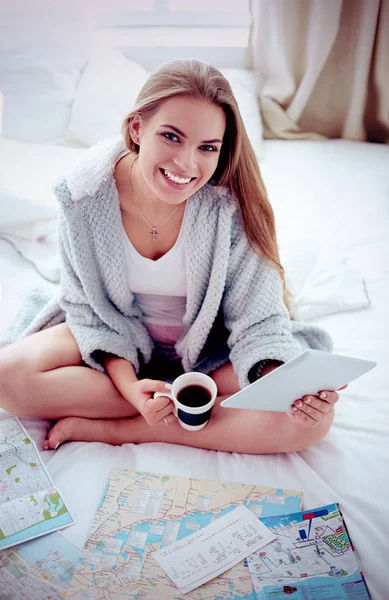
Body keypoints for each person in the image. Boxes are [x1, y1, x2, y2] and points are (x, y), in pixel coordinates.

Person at [0, 59, 346, 454]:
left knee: (309, 425)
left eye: (207, 148)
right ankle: (186, 407)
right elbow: (89, 313)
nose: (186, 163)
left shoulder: (231, 208)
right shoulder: (83, 198)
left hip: (210, 351)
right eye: (171, 137)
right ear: (136, 128)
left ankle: (125, 429)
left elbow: (259, 321)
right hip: (115, 341)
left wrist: (287, 387)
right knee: (7, 376)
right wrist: (132, 390)